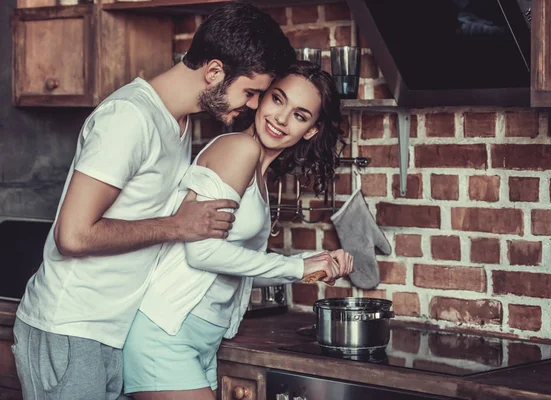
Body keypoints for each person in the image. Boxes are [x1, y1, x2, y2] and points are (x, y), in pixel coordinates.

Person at [11, 4, 297, 400]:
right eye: (250, 92)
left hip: (112, 329)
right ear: (214, 72)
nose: (252, 105)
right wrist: (177, 226)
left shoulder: (178, 123)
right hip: (71, 326)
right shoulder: (130, 117)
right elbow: (73, 235)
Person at [122, 60, 353, 400]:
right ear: (261, 98)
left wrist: (311, 263)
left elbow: (234, 268)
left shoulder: (258, 172)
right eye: (278, 99)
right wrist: (296, 267)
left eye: (300, 115)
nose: (280, 118)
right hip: (166, 333)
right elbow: (202, 252)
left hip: (198, 337)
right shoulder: (238, 149)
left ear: (311, 130)